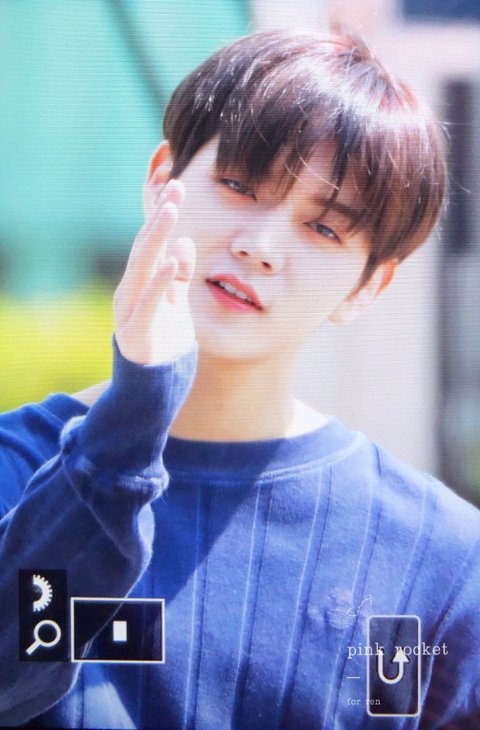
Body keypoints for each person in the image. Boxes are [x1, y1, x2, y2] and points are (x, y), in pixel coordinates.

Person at [0, 29, 479, 730]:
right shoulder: (14, 470)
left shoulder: (440, 556)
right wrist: (132, 418)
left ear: (369, 286)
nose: (260, 246)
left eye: (324, 229)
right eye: (239, 187)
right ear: (162, 178)